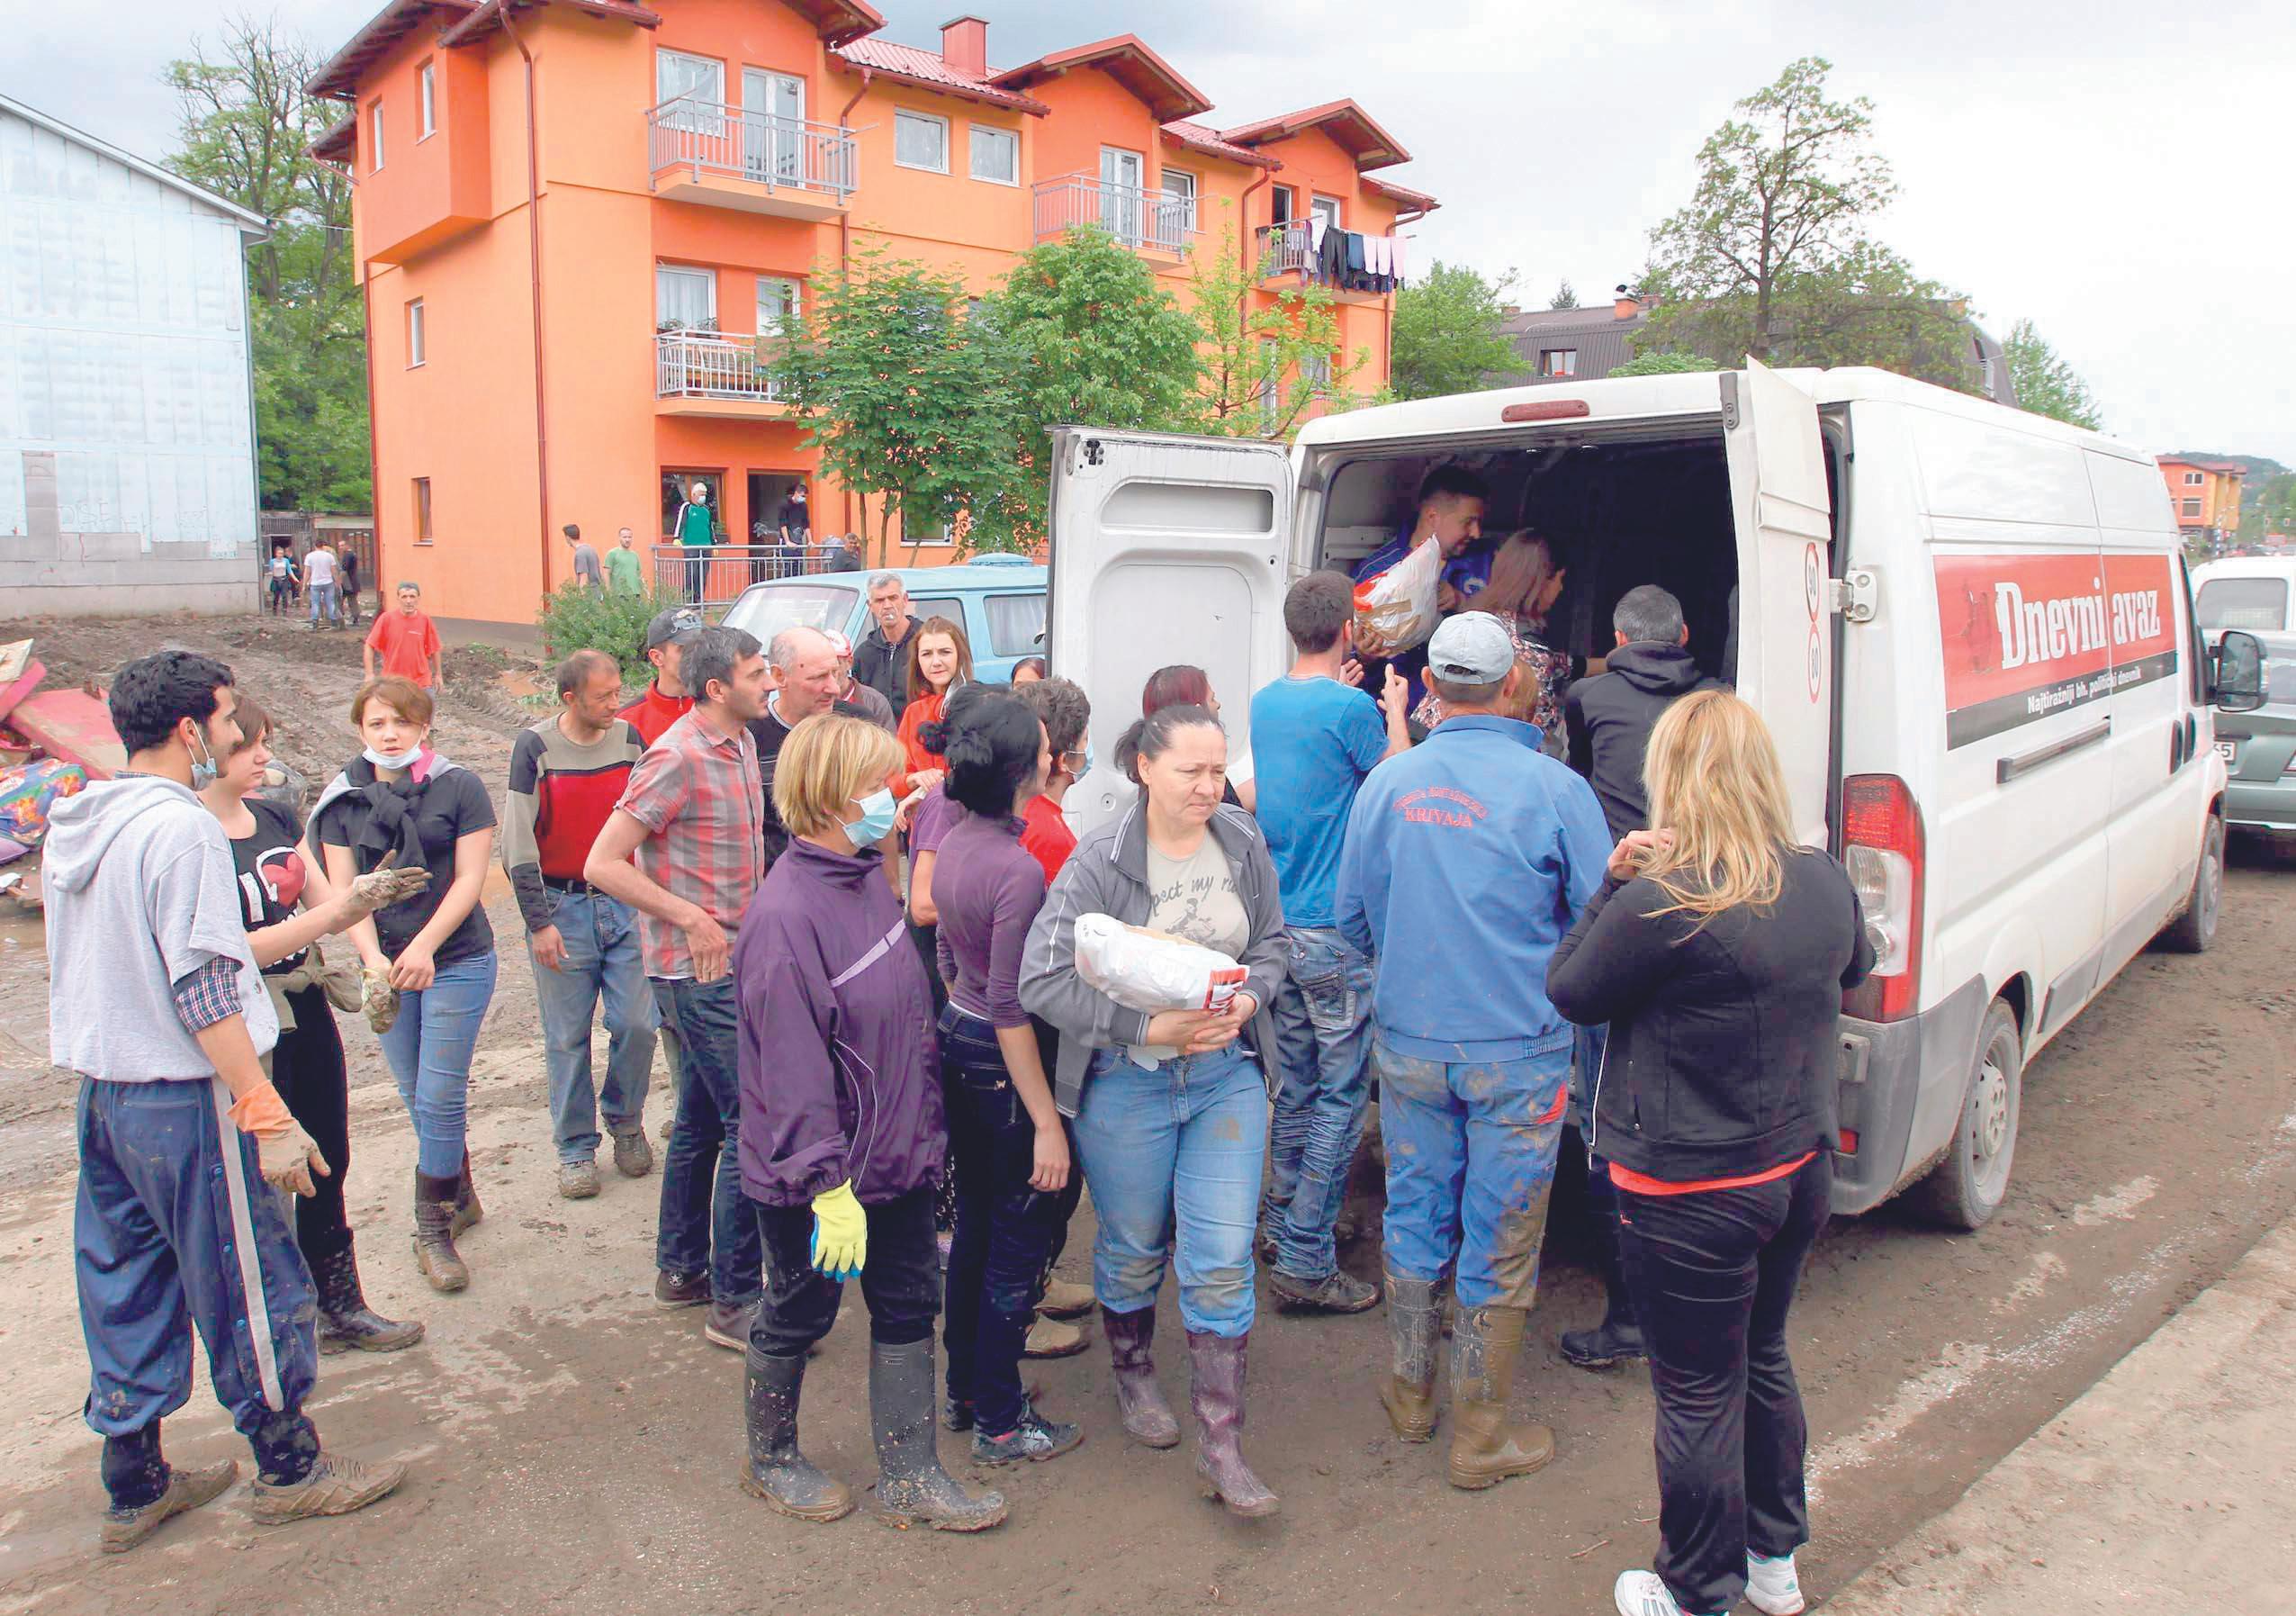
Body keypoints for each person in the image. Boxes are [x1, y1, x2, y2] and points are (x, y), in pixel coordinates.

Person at [50, 651, 406, 1551]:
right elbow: (205, 981)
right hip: (187, 1096)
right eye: (222, 718)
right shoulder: (183, 831)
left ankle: (135, 1480)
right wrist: (263, 1106)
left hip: (107, 1097)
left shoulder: (82, 819)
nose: (228, 732)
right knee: (249, 1283)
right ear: (189, 732)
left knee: (124, 1282)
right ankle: (291, 1468)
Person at [1546, 691, 1873, 1616]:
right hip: (1796, 1170)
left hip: (1688, 1188)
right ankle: (1773, 1565)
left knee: (1695, 1389)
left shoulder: (1660, 901)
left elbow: (1570, 988)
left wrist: (1611, 880)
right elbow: (1856, 963)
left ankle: (1694, 1590)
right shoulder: (1821, 880)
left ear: (1671, 782)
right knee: (1762, 1354)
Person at [1333, 611, 1611, 1492]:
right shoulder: (1556, 789)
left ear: (1429, 689)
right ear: (1512, 686)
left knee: (1415, 1210)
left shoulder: (1388, 783)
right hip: (1519, 1054)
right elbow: (1595, 926)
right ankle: (1481, 1429)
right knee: (1501, 1229)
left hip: (1412, 1044)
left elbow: (1349, 920)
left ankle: (1412, 1394)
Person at [733, 714, 1008, 1530]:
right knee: (799, 1308)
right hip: (820, 1176)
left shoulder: (861, 873)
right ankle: (771, 1457)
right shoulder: (786, 917)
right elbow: (788, 1068)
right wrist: (825, 1186)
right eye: (879, 785)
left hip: (896, 1155)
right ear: (827, 797)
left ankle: (913, 1475)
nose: (894, 797)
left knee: (904, 1303)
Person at [1020, 704, 1289, 1518]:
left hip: (1225, 1082)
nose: (1211, 787)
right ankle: (1133, 1372)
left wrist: (1251, 999)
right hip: (1128, 1085)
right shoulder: (1099, 859)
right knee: (1133, 1245)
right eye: (1191, 772)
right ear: (1143, 767)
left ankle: (1223, 1447)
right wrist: (1145, 1025)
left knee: (1219, 1257)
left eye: (1218, 770)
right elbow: (1041, 978)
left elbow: (1275, 943)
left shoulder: (1242, 842)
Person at [203, 694, 428, 1355]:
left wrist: (364, 931)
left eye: (262, 742)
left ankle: (339, 1303)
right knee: (261, 1171)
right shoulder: (189, 833)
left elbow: (324, 898)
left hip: (304, 1005)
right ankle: (272, 1316)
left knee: (328, 1150)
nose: (263, 757)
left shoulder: (273, 813)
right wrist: (330, 918)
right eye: (246, 746)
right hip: (242, 1016)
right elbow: (225, 950)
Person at [584, 627, 769, 1351]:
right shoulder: (677, 754)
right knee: (748, 1125)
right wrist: (691, 916)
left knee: (696, 1119)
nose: (771, 682)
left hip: (729, 961)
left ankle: (681, 1269)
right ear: (718, 687)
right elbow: (604, 861)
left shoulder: (743, 742)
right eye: (757, 674)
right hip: (696, 971)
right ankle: (734, 1303)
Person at [1555, 583, 1724, 1371]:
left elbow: (1580, 778)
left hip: (1625, 900)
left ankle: (1625, 1310)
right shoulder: (1717, 699)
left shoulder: (1589, 695)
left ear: (1619, 635)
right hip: (1706, 901)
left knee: (1602, 1114)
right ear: (1685, 631)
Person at [925, 693, 1088, 1466]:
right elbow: (1010, 1002)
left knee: (976, 1234)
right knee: (1013, 1240)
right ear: (1029, 770)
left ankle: (965, 1390)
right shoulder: (1018, 869)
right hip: (1001, 1056)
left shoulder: (955, 839)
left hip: (959, 1037)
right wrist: (1047, 1121)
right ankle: (998, 1418)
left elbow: (955, 962)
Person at [1248, 572, 1410, 1314]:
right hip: (1339, 932)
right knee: (1343, 1098)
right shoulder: (1353, 710)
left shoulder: (1265, 701)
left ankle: (1281, 1225)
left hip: (1282, 927)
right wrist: (1396, 709)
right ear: (1348, 625)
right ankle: (1308, 1258)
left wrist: (1350, 697)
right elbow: (1397, 784)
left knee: (1299, 1086)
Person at [312, 677, 499, 1293]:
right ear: (360, 729)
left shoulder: (459, 785)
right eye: (377, 723)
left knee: (441, 1096)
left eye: (402, 722)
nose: (390, 733)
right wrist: (372, 960)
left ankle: (433, 1231)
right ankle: (459, 1189)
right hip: (384, 964)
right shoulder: (342, 799)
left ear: (425, 726)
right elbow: (346, 895)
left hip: (458, 957)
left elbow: (471, 878)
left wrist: (423, 946)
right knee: (415, 1091)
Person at [503, 649, 657, 1200]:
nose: (616, 704)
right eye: (603, 697)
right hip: (562, 906)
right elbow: (518, 841)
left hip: (625, 903)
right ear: (570, 699)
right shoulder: (536, 747)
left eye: (618, 692)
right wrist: (538, 921)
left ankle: (626, 1120)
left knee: (639, 1023)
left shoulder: (630, 742)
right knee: (566, 1038)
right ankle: (575, 1147)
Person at [1411, 529, 1596, 747]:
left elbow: (1560, 664)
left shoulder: (1477, 619)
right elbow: (1538, 736)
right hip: (1476, 758)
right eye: (1560, 579)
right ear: (1542, 582)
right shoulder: (1529, 648)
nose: (1561, 588)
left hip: (1427, 740)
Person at [750, 626, 872, 871]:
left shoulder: (856, 725)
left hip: (850, 875)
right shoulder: (751, 737)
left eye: (834, 674)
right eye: (818, 678)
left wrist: (891, 884)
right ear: (779, 676)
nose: (834, 689)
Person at [1352, 464, 1492, 611]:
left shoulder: (1488, 559)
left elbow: (1510, 617)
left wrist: (1461, 602)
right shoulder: (1378, 570)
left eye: (1479, 522)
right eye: (1468, 522)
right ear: (1432, 517)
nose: (1476, 533)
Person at [1011, 676, 1091, 886]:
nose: (1088, 750)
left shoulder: (1015, 804)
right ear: (1064, 760)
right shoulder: (1054, 839)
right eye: (1085, 740)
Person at [1141, 664, 1249, 810]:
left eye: (1218, 772)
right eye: (1212, 699)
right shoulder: (1203, 786)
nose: (1218, 705)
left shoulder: (1153, 782)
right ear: (1197, 712)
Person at [894, 615, 971, 798]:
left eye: (945, 652)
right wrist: (915, 778)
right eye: (927, 654)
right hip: (924, 818)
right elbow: (893, 779)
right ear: (918, 661)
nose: (936, 662)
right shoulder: (914, 712)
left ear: (960, 655)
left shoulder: (979, 705)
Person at [620, 607, 703, 745]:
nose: (696, 655)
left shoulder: (721, 708)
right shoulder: (628, 722)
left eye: (700, 646)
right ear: (657, 657)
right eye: (685, 649)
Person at [851, 573, 919, 714]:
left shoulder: (926, 644)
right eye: (880, 600)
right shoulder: (863, 655)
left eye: (893, 598)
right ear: (870, 606)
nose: (887, 605)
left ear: (905, 600)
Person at [364, 582, 444, 691]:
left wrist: (438, 675)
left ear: (418, 599)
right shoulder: (386, 619)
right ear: (398, 599)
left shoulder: (425, 620)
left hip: (421, 684)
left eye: (412, 596)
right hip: (392, 684)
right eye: (404, 597)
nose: (408, 601)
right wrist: (369, 674)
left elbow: (435, 649)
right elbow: (369, 645)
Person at [824, 627, 896, 733]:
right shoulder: (809, 701)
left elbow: (889, 746)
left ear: (849, 663)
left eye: (836, 663)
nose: (830, 671)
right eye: (823, 664)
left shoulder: (875, 703)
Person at [672, 481, 716, 601]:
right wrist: (676, 538)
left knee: (703, 574)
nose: (704, 497)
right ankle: (687, 598)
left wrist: (714, 544)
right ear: (694, 494)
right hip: (691, 546)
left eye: (705, 494)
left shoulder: (706, 510)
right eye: (701, 494)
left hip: (706, 546)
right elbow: (680, 522)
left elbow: (710, 528)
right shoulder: (687, 507)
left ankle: (699, 598)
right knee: (691, 573)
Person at [304, 541, 342, 629]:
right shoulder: (329, 556)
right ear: (323, 546)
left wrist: (304, 584)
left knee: (315, 603)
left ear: (315, 546)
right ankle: (333, 622)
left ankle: (315, 623)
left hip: (315, 583)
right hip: (328, 582)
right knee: (330, 602)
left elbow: (307, 572)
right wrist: (337, 582)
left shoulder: (310, 556)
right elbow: (334, 571)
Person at [777, 484, 810, 574]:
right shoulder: (784, 504)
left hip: (798, 540)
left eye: (805, 497)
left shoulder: (803, 506)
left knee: (798, 568)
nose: (804, 498)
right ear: (796, 493)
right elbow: (782, 524)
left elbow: (806, 524)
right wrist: (787, 541)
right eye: (802, 496)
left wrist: (810, 541)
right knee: (788, 568)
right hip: (786, 541)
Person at [607, 526, 646, 595]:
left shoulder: (635, 555)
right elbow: (606, 573)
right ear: (619, 538)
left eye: (629, 537)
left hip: (635, 594)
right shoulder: (612, 553)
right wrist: (608, 592)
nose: (627, 540)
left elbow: (639, 575)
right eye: (624, 537)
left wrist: (646, 591)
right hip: (619, 595)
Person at [266, 540, 300, 618]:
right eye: (279, 553)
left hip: (284, 579)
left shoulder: (286, 560)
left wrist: (295, 579)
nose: (280, 555)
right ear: (276, 554)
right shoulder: (272, 561)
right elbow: (271, 570)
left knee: (285, 595)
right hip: (276, 579)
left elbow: (289, 570)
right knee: (276, 596)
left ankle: (285, 610)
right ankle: (274, 609)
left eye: (282, 553)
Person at [565, 523, 604, 591]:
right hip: (598, 591)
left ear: (568, 537)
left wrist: (582, 597)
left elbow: (583, 577)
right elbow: (600, 571)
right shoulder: (591, 549)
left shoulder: (580, 554)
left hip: (589, 594)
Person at [339, 544, 363, 627]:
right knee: (352, 601)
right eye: (339, 546)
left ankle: (341, 618)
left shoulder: (347, 555)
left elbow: (344, 569)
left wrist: (339, 581)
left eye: (342, 545)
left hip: (347, 582)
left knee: (341, 600)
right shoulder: (352, 554)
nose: (340, 548)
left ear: (347, 545)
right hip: (352, 582)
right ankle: (355, 618)